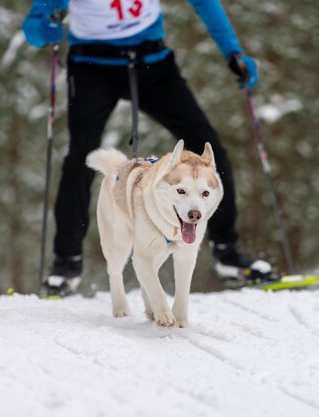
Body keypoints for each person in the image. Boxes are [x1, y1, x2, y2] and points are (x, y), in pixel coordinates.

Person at [23, 0, 272, 297]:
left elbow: (205, 3)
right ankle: (67, 262)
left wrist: (234, 52)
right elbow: (34, 28)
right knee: (81, 156)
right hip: (92, 66)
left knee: (207, 146)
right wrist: (43, 28)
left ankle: (227, 252)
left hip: (152, 62)